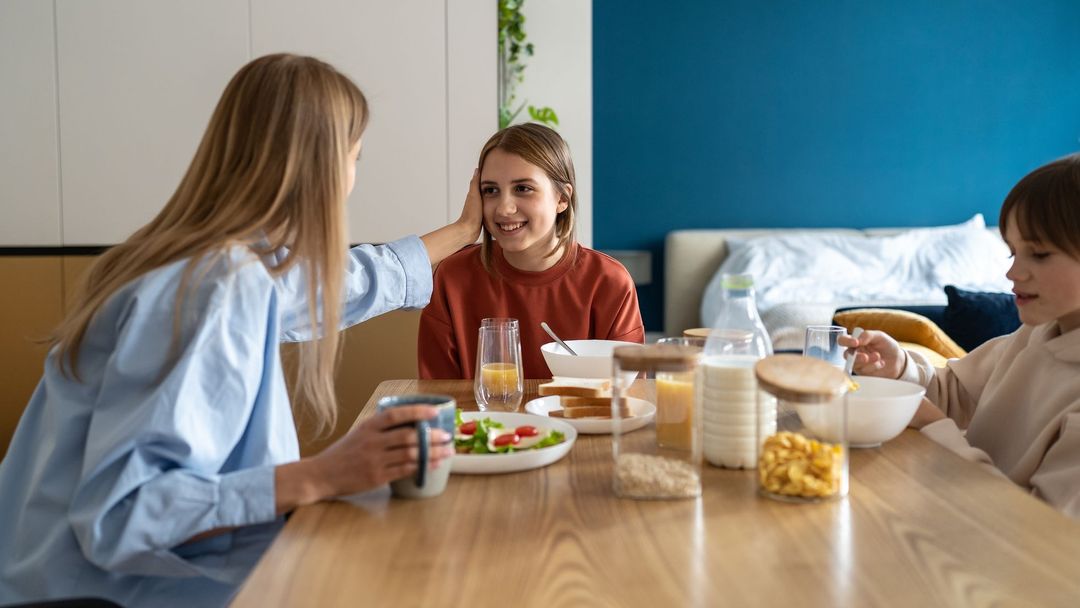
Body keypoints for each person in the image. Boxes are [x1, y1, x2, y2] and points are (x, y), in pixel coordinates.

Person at [0, 54, 481, 607]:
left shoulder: (195, 259)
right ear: (323, 167)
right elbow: (124, 516)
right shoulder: (217, 283)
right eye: (356, 156)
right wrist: (323, 475)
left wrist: (464, 229)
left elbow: (336, 284)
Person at [842, 153, 1080, 519]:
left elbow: (1043, 528)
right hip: (956, 516)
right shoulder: (1036, 333)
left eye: (1040, 254)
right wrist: (902, 368)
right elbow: (958, 390)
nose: (1013, 272)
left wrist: (937, 429)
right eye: (1012, 252)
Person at [417, 123, 644, 379]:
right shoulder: (453, 277)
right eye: (490, 190)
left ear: (562, 199)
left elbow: (629, 396)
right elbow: (438, 398)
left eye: (523, 188)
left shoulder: (608, 282)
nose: (504, 208)